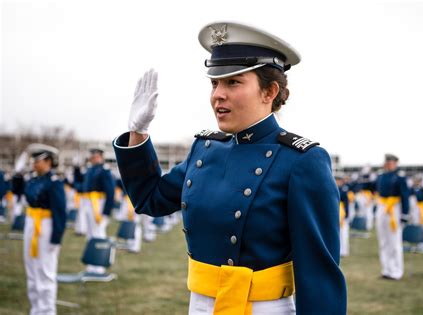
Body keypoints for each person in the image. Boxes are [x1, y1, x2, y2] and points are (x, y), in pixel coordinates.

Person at [113, 21, 346, 314]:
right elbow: (150, 199)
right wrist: (138, 132)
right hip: (199, 305)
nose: (217, 95)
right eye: (215, 83)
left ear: (269, 92)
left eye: (233, 82)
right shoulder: (206, 148)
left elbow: (319, 272)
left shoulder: (302, 160)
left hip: (264, 308)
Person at [22, 143, 66, 315]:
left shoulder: (54, 183)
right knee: (31, 270)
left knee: (45, 272)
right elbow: (19, 191)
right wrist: (18, 174)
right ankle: (36, 309)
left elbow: (60, 213)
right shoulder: (33, 180)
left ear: (48, 161)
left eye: (37, 160)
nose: (34, 164)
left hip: (45, 226)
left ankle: (47, 311)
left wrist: (56, 238)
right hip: (31, 223)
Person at [76, 146, 115, 274]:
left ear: (101, 157)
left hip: (99, 203)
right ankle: (92, 264)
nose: (93, 158)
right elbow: (80, 184)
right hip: (88, 202)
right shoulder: (90, 169)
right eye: (92, 156)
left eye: (95, 156)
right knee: (90, 234)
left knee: (98, 233)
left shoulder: (104, 170)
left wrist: (106, 212)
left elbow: (110, 192)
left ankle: (99, 265)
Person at [375, 153, 410, 280]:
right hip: (382, 207)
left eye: (391, 162)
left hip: (394, 208)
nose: (388, 164)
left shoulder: (400, 177)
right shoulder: (381, 176)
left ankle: (396, 271)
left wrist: (404, 214)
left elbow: (405, 196)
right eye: (387, 162)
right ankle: (386, 269)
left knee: (394, 242)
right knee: (383, 241)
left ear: (395, 163)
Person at [336, 172, 350, 257]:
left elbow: (346, 202)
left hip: (341, 210)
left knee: (343, 231)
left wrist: (347, 213)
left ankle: (344, 250)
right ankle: (338, 249)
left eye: (338, 180)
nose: (337, 182)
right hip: (335, 209)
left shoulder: (343, 189)